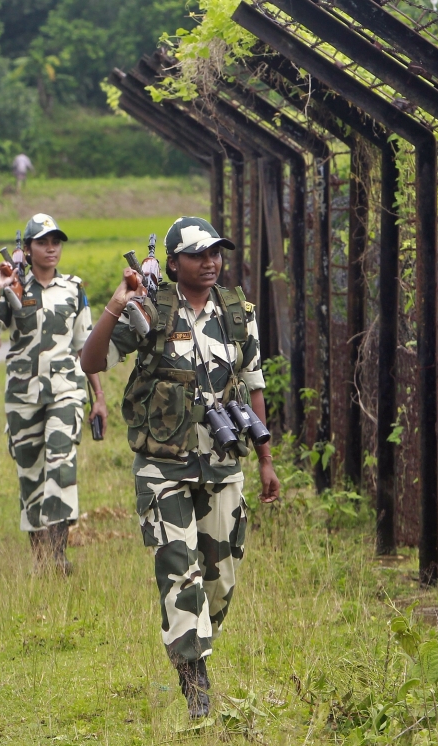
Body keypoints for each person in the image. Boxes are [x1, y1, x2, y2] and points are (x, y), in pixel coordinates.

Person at [79, 216, 281, 719]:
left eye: (216, 253)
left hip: (222, 463)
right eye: (197, 254)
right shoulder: (149, 309)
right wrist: (115, 307)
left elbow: (254, 384)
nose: (210, 262)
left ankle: (194, 644)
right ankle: (196, 685)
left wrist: (265, 461)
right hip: (162, 467)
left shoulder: (238, 313)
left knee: (220, 580)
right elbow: (91, 361)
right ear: (173, 264)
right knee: (179, 572)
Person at [0, 213, 107, 574]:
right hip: (23, 394)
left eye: (56, 242)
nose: (51, 248)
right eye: (43, 242)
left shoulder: (74, 290)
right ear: (28, 248)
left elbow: (86, 347)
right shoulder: (14, 289)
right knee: (30, 472)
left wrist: (98, 397)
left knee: (62, 464)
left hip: (66, 390)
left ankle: (59, 554)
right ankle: (40, 558)